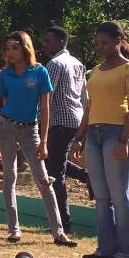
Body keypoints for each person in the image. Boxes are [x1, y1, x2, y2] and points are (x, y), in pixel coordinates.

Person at [0, 31, 77, 246]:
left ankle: (58, 233)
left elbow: (45, 107)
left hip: (30, 130)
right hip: (5, 127)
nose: (10, 53)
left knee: (44, 180)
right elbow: (4, 104)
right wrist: (0, 140)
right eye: (7, 49)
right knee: (9, 177)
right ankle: (14, 230)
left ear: (26, 47)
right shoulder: (4, 75)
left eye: (15, 47)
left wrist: (44, 140)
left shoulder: (40, 71)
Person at [74, 22, 129, 258]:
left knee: (119, 195)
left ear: (118, 42)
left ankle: (128, 250)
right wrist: (79, 138)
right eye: (97, 43)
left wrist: (124, 140)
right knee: (100, 196)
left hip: (117, 134)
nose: (100, 47)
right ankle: (105, 249)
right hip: (93, 134)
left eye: (105, 43)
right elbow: (89, 108)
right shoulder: (95, 72)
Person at [42, 26, 90, 233]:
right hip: (75, 121)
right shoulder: (78, 64)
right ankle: (87, 177)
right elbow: (85, 98)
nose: (44, 45)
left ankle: (64, 224)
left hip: (59, 123)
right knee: (54, 162)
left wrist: (37, 123)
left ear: (61, 42)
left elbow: (46, 98)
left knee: (55, 173)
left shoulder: (54, 64)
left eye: (48, 41)